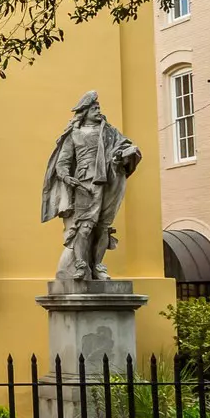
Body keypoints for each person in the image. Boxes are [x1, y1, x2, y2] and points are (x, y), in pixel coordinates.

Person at [40, 91, 142, 281]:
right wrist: (66, 177)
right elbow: (62, 162)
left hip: (110, 181)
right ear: (84, 112)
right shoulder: (74, 134)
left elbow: (125, 147)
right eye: (93, 108)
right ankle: (80, 265)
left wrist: (125, 154)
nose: (98, 111)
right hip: (85, 183)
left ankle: (98, 267)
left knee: (103, 227)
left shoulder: (110, 132)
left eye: (98, 108)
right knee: (85, 227)